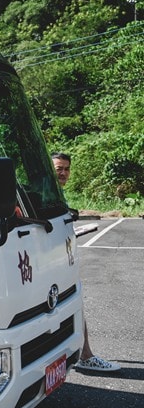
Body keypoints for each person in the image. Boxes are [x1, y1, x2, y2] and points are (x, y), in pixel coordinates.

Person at [52, 152, 121, 373]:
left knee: (73, 305)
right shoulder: (42, 193)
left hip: (63, 259)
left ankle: (81, 354)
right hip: (50, 263)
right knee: (72, 305)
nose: (63, 173)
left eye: (66, 169)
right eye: (58, 168)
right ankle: (85, 356)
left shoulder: (56, 194)